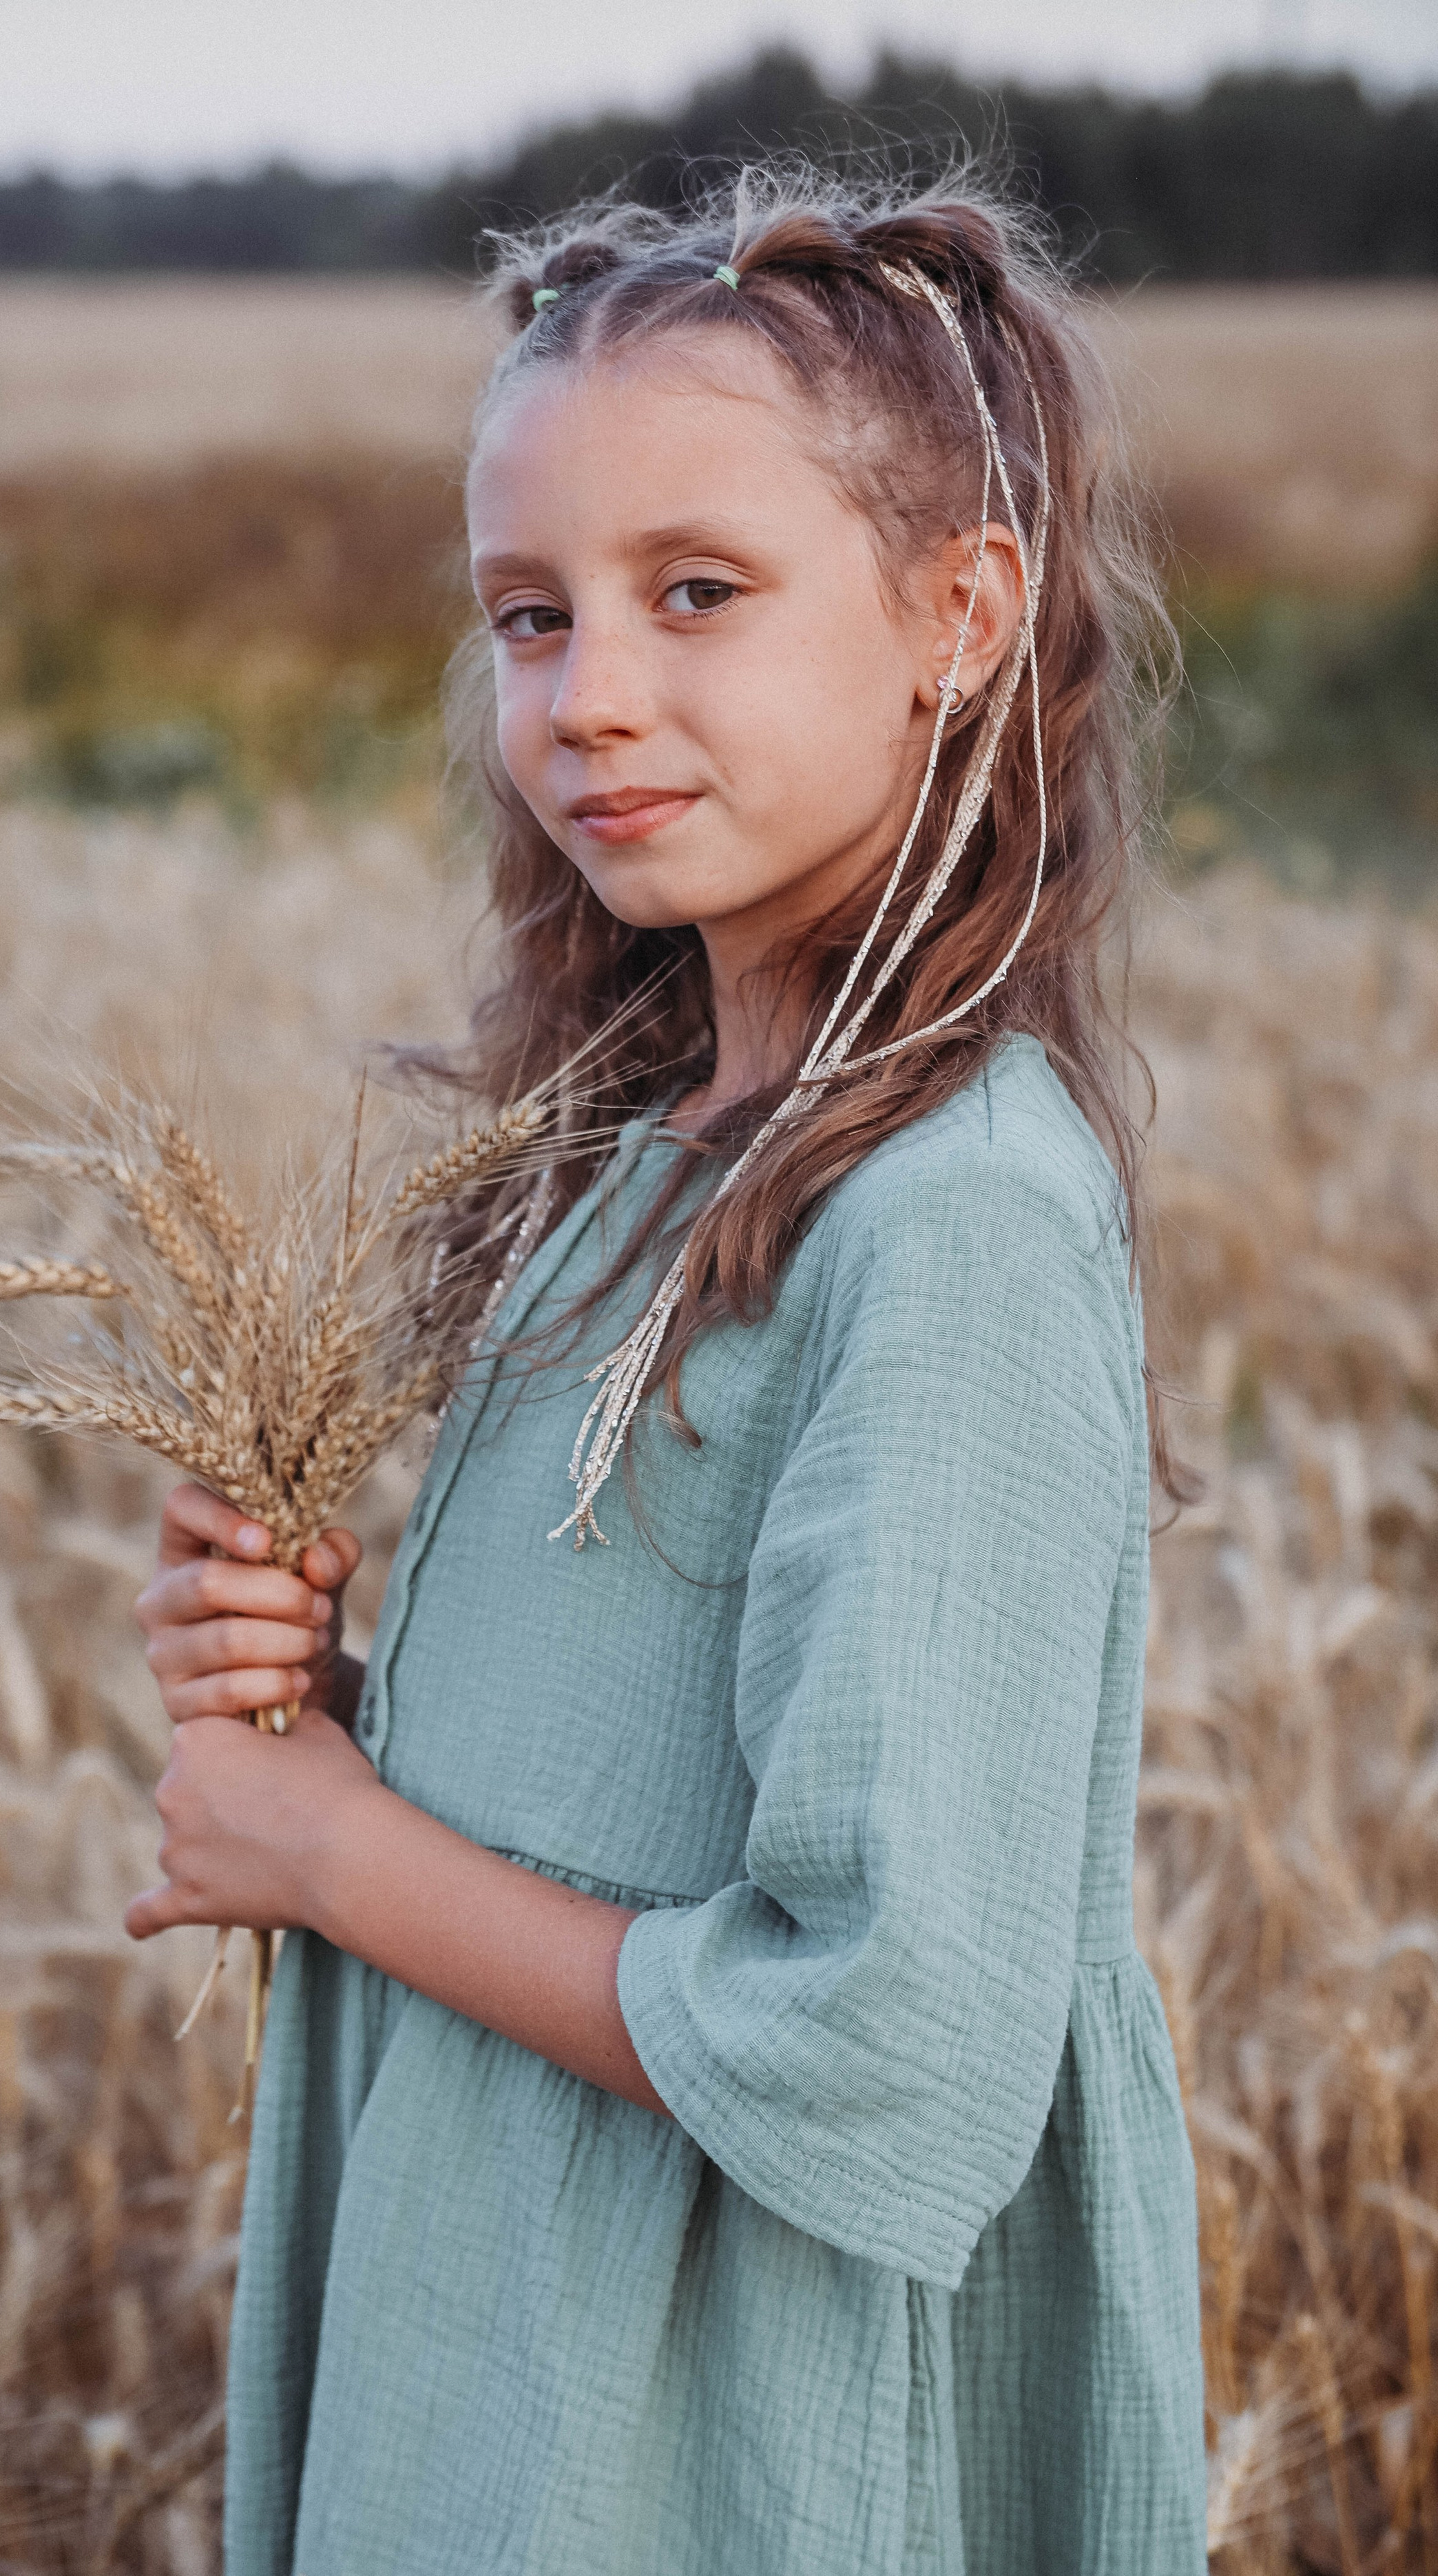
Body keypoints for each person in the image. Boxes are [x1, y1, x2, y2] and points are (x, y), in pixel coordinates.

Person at [124, 168, 1207, 2575]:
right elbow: (622, 1803)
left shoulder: (951, 1222)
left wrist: (332, 1852)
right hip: (509, 2341)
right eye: (530, 614)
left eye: (697, 591)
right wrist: (329, 1715)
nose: (587, 693)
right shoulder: (648, 1163)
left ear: (960, 618)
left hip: (712, 2433)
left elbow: (897, 2044)